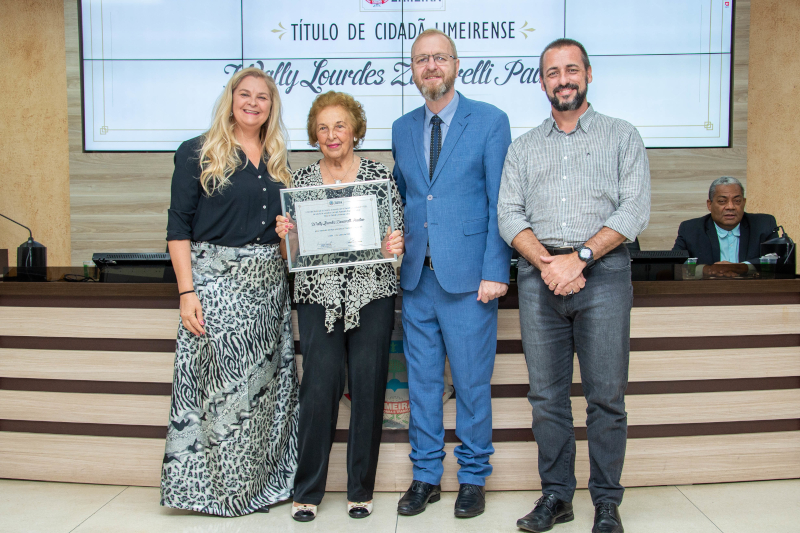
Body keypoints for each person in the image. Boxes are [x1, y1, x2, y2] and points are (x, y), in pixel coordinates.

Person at [498, 39, 650, 533]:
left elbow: (633, 210)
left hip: (603, 274)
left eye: (571, 70)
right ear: (542, 82)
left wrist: (579, 258)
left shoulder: (622, 136)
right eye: (552, 72)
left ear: (588, 73)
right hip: (541, 277)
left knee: (606, 396)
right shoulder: (523, 148)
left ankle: (607, 501)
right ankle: (556, 497)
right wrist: (550, 263)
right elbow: (508, 215)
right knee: (546, 398)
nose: (562, 79)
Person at [160, 67, 298, 516]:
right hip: (215, 287)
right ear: (231, 98)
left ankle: (256, 487)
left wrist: (286, 234)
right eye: (245, 94)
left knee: (260, 395)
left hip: (267, 288)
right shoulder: (197, 151)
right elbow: (178, 227)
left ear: (271, 106)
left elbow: (283, 241)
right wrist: (186, 293)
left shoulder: (278, 158)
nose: (253, 103)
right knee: (218, 396)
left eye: (263, 97)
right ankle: (214, 493)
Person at [391, 29, 513, 519]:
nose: (431, 66)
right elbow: (403, 199)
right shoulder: (401, 127)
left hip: (470, 282)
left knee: (470, 383)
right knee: (421, 384)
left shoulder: (490, 121)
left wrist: (495, 270)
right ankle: (425, 476)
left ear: (456, 64)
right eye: (422, 60)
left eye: (439, 57)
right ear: (414, 70)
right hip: (416, 280)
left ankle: (472, 478)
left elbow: (501, 201)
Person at [276, 91, 404, 522]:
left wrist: (394, 246)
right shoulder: (301, 182)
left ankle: (360, 490)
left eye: (340, 126)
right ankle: (308, 489)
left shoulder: (378, 177)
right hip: (318, 297)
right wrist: (286, 236)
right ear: (315, 134)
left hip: (372, 293)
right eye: (324, 127)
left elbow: (395, 241)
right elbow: (291, 255)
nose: (332, 135)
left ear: (355, 131)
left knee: (368, 390)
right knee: (318, 391)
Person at [673, 176, 777, 276]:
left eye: (737, 201)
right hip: (708, 292)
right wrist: (707, 270)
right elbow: (674, 267)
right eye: (722, 201)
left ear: (744, 203)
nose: (730, 207)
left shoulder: (763, 224)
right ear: (709, 204)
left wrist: (739, 268)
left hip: (752, 292)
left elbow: (778, 260)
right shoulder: (690, 229)